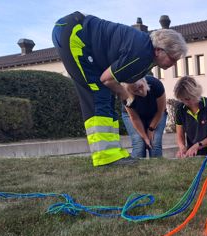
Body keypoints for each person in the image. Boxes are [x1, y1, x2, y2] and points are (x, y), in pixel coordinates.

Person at [52, 12, 187, 166]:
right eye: (173, 58)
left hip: (77, 31)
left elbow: (117, 76)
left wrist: (131, 86)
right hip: (74, 34)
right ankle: (106, 157)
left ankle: (113, 152)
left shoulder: (146, 55)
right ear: (159, 50)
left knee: (107, 94)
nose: (174, 64)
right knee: (98, 93)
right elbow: (106, 79)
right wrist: (127, 97)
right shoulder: (142, 53)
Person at [121, 76, 167, 158]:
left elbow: (160, 111)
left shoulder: (156, 84)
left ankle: (158, 169)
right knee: (139, 143)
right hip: (134, 116)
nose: (140, 91)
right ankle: (138, 170)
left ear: (143, 81)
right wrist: (145, 137)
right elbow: (134, 118)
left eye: (140, 87)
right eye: (136, 91)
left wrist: (151, 129)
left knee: (154, 141)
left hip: (156, 113)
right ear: (130, 92)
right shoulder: (125, 95)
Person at [174, 76, 207, 158]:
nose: (185, 102)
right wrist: (182, 147)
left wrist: (198, 145)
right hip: (192, 153)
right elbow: (180, 135)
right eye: (182, 99)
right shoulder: (180, 109)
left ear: (195, 93)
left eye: (187, 99)